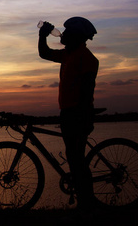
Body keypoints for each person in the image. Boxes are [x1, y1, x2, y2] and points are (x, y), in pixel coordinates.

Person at [38, 17, 99, 211]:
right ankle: (87, 204)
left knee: (77, 161)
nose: (63, 34)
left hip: (77, 114)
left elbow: (86, 92)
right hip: (68, 112)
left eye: (68, 32)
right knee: (75, 159)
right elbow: (44, 53)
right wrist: (42, 35)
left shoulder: (87, 58)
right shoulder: (68, 54)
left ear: (78, 36)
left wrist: (82, 117)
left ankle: (86, 208)